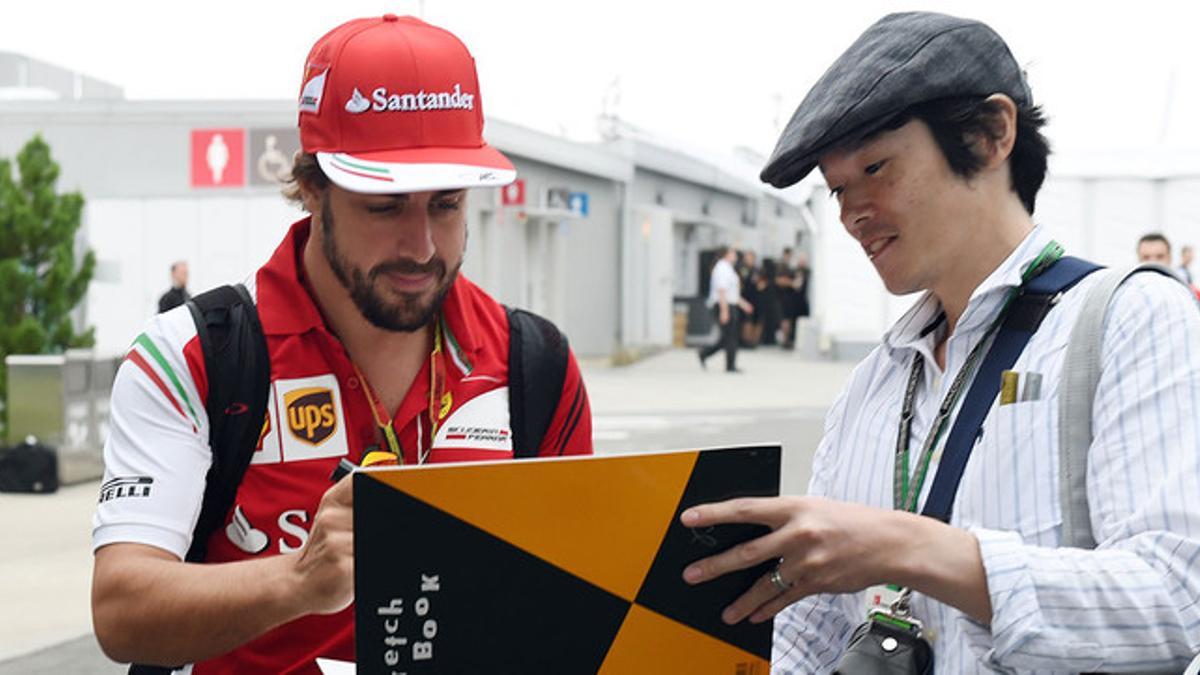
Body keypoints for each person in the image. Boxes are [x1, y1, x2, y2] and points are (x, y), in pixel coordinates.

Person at [680, 12, 1200, 672]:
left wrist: (906, 547)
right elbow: (807, 629)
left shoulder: (1130, 319)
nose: (851, 213)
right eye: (837, 188)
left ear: (991, 135)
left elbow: (1173, 599)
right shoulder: (873, 382)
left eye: (875, 167)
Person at [91, 15, 593, 673]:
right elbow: (122, 611)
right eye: (384, 206)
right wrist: (295, 580)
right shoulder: (194, 356)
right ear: (310, 188)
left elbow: (580, 599)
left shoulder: (536, 363)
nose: (421, 247)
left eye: (445, 205)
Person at [698, 246, 752, 372]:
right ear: (726, 254)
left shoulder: (728, 268)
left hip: (729, 304)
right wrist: (724, 311)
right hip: (723, 305)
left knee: (728, 337)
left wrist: (744, 304)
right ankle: (730, 365)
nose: (735, 255)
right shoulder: (722, 268)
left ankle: (705, 353)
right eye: (732, 252)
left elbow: (732, 293)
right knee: (730, 336)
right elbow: (721, 291)